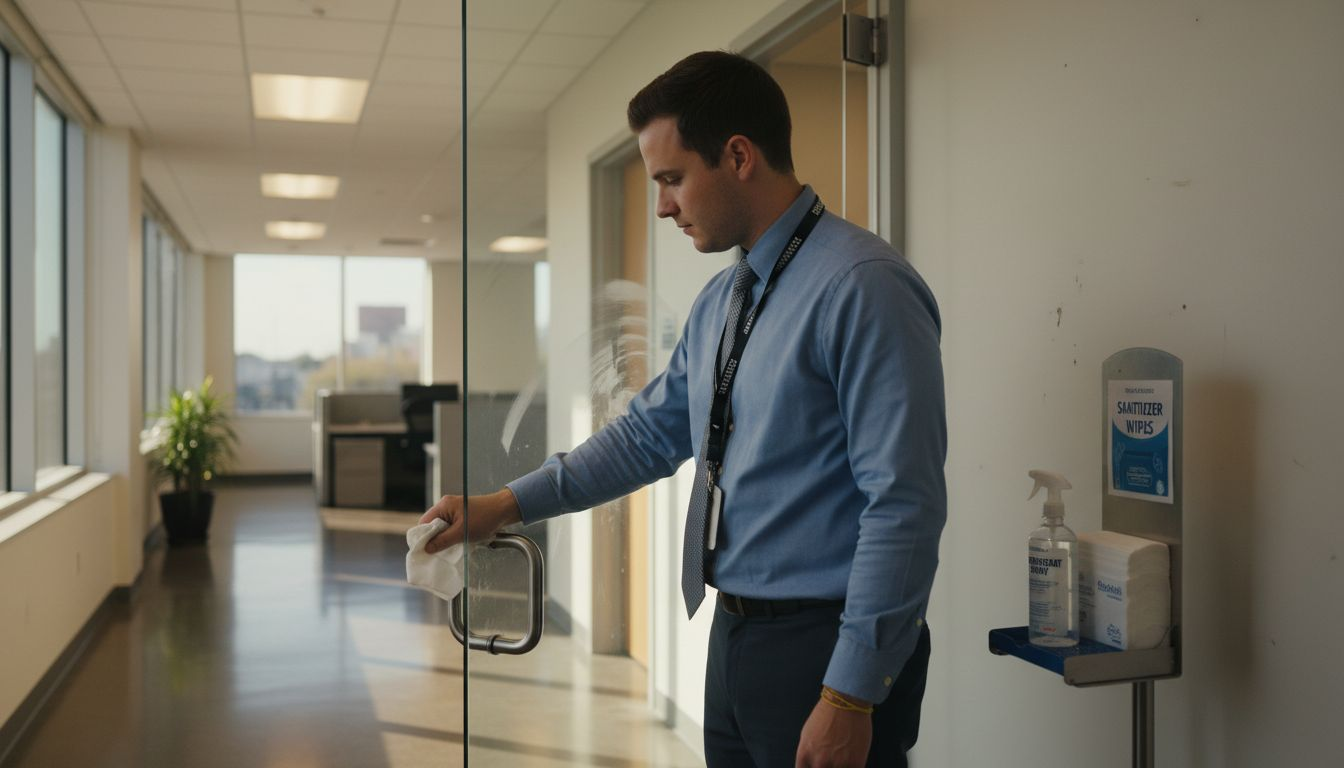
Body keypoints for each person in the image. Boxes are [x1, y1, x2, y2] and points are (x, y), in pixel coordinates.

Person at [420, 51, 946, 768]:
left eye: (671, 179)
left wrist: (851, 694)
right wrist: (505, 505)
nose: (663, 205)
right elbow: (645, 438)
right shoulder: (724, 303)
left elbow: (905, 504)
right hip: (734, 638)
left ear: (737, 156)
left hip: (823, 650)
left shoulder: (863, 287)